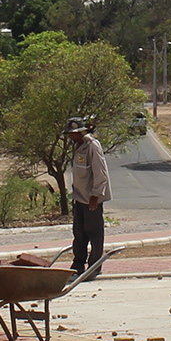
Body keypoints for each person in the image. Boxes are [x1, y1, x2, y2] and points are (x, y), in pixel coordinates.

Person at [67, 117, 110, 273]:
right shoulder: (77, 146)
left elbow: (100, 172)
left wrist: (96, 195)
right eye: (70, 133)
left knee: (94, 233)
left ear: (81, 132)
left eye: (74, 132)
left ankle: (94, 266)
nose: (71, 136)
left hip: (91, 198)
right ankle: (78, 264)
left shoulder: (92, 145)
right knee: (79, 233)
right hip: (79, 197)